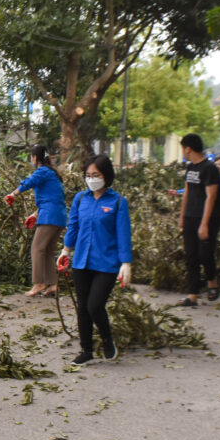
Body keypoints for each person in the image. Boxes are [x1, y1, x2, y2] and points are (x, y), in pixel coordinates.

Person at [58, 154, 132, 367]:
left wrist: (126, 263)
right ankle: (86, 350)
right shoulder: (81, 199)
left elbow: (123, 234)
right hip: (81, 261)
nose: (91, 179)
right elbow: (73, 227)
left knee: (95, 305)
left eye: (96, 175)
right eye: (88, 175)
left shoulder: (118, 202)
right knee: (82, 307)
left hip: (107, 263)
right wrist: (65, 251)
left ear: (106, 176)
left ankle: (108, 339)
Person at [4, 144, 67, 297]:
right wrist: (35, 214)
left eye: (31, 156)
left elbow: (29, 181)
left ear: (35, 157)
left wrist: (13, 194)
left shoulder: (43, 172)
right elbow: (52, 199)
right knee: (48, 251)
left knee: (37, 248)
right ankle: (52, 285)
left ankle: (39, 283)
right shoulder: (51, 174)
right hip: (58, 216)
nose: (31, 159)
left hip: (50, 216)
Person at [178, 134, 220, 305]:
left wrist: (204, 224)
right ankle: (193, 295)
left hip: (206, 218)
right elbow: (187, 193)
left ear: (188, 148)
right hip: (190, 217)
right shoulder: (191, 167)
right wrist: (182, 217)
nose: (183, 151)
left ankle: (212, 280)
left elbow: (211, 197)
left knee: (204, 254)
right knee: (191, 256)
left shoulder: (209, 168)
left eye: (183, 148)